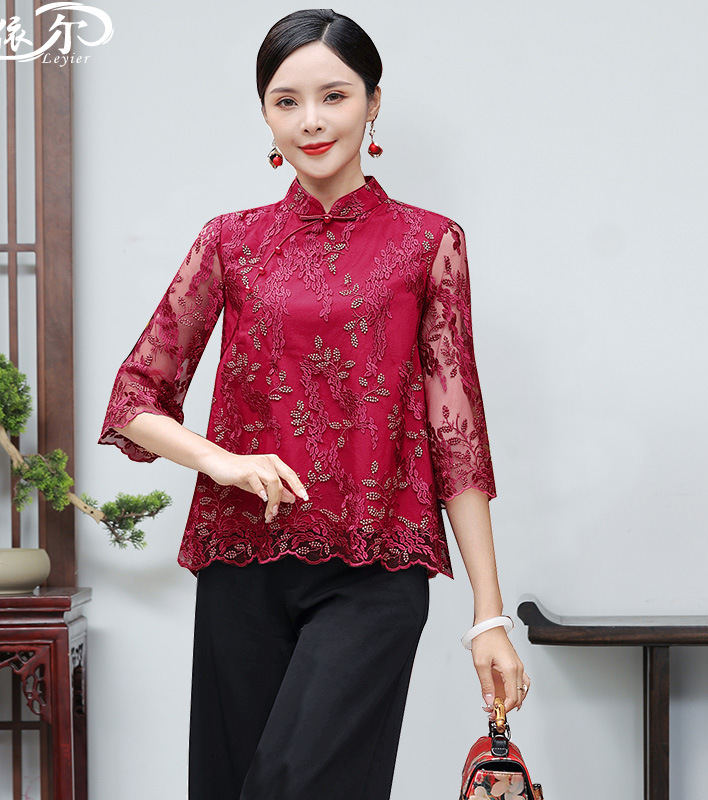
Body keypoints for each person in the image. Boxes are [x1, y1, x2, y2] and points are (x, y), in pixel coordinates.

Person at [99, 9, 530, 799]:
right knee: (233, 786)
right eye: (286, 101)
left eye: (334, 95)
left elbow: (457, 431)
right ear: (266, 115)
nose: (311, 120)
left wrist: (488, 616)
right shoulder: (229, 242)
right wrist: (224, 463)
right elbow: (134, 400)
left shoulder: (428, 242)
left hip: (375, 565)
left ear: (372, 102)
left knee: (296, 783)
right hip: (243, 564)